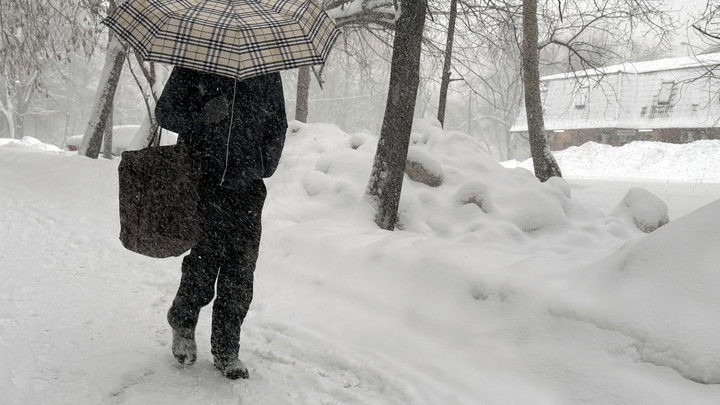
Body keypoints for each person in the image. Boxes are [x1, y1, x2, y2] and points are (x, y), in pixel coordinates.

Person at [155, 66, 287, 379]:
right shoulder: (195, 63)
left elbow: (277, 123)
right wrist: (202, 115)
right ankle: (183, 322)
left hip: (248, 188)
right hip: (202, 181)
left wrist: (264, 163)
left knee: (240, 272)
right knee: (203, 264)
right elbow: (165, 113)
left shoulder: (265, 71)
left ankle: (227, 349)